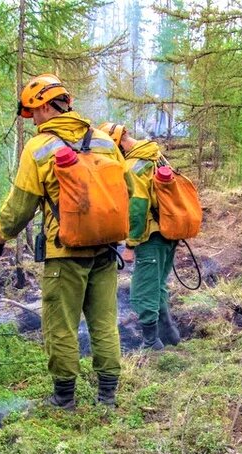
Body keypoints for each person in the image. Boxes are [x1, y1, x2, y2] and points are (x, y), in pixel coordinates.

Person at [0, 75, 132, 410]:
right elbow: (129, 191)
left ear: (47, 106)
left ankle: (64, 400)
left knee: (61, 326)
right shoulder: (106, 141)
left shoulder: (39, 148)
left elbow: (21, 205)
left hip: (65, 253)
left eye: (33, 112)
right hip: (106, 250)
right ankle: (108, 396)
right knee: (105, 322)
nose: (33, 120)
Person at [100, 122, 181, 350]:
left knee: (143, 290)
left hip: (150, 237)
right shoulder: (154, 154)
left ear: (117, 144)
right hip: (168, 232)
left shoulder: (133, 165)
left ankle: (150, 344)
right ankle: (170, 335)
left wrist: (130, 245)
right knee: (157, 285)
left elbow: (138, 205)